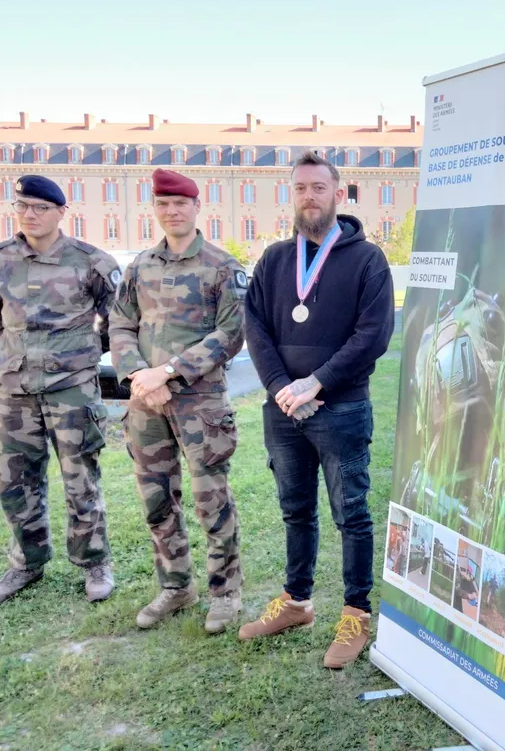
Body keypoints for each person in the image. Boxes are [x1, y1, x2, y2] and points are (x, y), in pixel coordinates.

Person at [241, 150, 394, 669]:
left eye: (319, 188)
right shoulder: (274, 260)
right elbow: (255, 326)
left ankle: (356, 613)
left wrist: (318, 380)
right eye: (301, 188)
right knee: (295, 509)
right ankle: (297, 602)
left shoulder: (367, 260)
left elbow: (373, 334)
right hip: (284, 410)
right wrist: (284, 385)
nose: (310, 196)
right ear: (293, 195)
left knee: (351, 513)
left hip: (341, 408)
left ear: (339, 193)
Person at [109, 168, 247, 634]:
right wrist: (138, 375)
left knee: (213, 499)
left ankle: (225, 592)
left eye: (180, 203)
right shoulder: (141, 266)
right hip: (146, 404)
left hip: (200, 403)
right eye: (163, 204)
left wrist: (168, 372)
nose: (172, 212)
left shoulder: (221, 266)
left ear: (196, 207)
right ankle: (175, 585)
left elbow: (231, 333)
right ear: (156, 209)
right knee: (155, 499)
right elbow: (120, 324)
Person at [0, 175, 119, 605]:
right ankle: (26, 563)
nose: (30, 215)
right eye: (23, 206)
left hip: (71, 389)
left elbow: (116, 322)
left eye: (40, 207)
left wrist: (77, 355)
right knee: (14, 482)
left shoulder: (91, 262)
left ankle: (94, 563)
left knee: (81, 480)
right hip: (14, 388)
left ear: (61, 212)